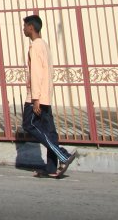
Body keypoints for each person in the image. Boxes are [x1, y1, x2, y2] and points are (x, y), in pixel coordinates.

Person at [22, 15, 78, 178]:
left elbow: (37, 72)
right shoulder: (44, 45)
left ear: (31, 27)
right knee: (48, 131)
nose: (23, 29)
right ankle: (52, 168)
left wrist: (36, 98)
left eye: (25, 26)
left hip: (37, 96)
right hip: (46, 94)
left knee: (29, 125)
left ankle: (62, 154)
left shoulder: (35, 46)